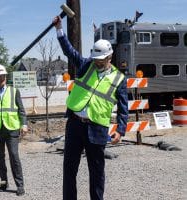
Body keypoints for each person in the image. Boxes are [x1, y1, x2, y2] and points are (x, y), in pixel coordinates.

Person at [53, 16, 128, 200]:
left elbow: (123, 108)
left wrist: (120, 130)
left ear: (110, 57)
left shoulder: (119, 79)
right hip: (75, 125)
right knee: (69, 171)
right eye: (96, 58)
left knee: (96, 173)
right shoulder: (87, 65)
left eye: (101, 59)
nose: (97, 62)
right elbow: (70, 52)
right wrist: (59, 30)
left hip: (97, 128)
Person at [0, 64, 28, 196]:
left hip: (12, 129)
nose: (1, 78)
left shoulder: (14, 91)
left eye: (3, 76)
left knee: (14, 156)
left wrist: (23, 124)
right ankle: (3, 182)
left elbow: (21, 110)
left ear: (6, 77)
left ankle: (20, 185)